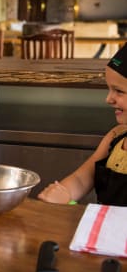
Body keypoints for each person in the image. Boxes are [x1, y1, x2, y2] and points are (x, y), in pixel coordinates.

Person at [38, 44, 127, 206]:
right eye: (109, 89)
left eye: (119, 91)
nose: (108, 99)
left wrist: (70, 204)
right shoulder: (115, 136)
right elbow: (81, 179)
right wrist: (61, 192)